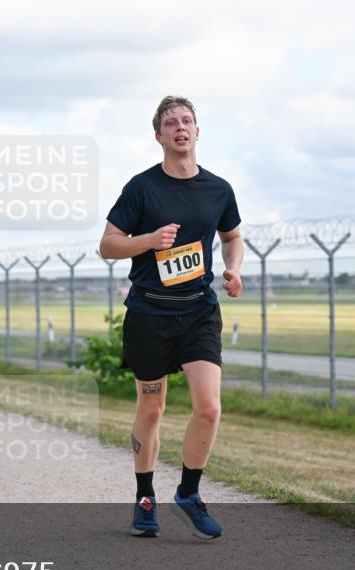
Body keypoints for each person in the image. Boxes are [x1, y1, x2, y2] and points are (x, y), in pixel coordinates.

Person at [99, 96, 244, 539]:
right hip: (149, 314)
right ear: (158, 135)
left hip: (199, 310)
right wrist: (147, 240)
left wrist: (234, 267)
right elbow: (107, 245)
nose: (180, 128)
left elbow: (232, 235)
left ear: (197, 132)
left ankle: (189, 491)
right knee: (153, 406)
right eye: (170, 123)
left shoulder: (219, 189)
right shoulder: (142, 188)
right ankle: (145, 498)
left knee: (209, 407)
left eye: (187, 121)